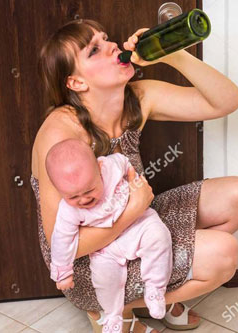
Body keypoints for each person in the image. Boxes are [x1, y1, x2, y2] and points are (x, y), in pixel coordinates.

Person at [32, 19, 238, 333]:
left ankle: (155, 289)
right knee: (224, 253)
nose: (112, 46)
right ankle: (111, 309)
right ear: (76, 83)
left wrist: (171, 55)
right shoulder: (62, 134)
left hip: (138, 222)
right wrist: (134, 210)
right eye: (94, 50)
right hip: (91, 263)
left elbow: (229, 100)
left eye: (106, 38)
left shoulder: (138, 97)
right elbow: (66, 246)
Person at [46, 139, 172, 332]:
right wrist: (63, 273)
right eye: (73, 197)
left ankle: (155, 288)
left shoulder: (110, 165)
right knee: (104, 278)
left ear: (99, 167)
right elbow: (61, 241)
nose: (84, 199)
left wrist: (133, 179)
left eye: (89, 190)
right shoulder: (67, 211)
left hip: (136, 225)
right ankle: (112, 315)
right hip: (104, 247)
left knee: (158, 235)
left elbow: (124, 162)